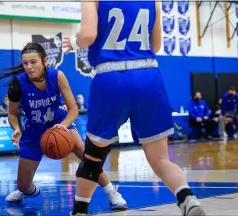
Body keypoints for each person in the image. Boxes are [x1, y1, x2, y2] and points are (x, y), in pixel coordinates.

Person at [63, 1, 205, 216]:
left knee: (93, 157)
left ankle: (80, 211)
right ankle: (187, 198)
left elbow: (88, 35)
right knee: (160, 160)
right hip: (148, 76)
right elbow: (155, 45)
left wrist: (73, 42)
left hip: (110, 78)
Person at [0, 42, 127, 210]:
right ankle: (25, 190)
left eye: (33, 62)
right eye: (25, 63)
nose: (28, 67)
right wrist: (16, 129)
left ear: (44, 60)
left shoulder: (57, 76)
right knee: (23, 186)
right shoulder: (17, 83)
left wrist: (62, 126)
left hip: (59, 123)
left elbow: (73, 109)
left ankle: (111, 192)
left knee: (85, 152)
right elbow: (12, 114)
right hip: (33, 131)